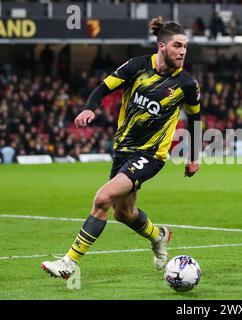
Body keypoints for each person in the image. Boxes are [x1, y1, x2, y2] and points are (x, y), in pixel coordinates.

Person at [41, 17, 202, 279]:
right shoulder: (137, 66)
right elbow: (103, 88)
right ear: (161, 46)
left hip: (150, 155)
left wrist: (193, 156)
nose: (182, 51)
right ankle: (159, 236)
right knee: (124, 213)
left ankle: (69, 262)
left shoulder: (186, 84)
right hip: (123, 150)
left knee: (102, 199)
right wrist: (89, 108)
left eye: (185, 46)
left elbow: (195, 119)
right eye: (177, 46)